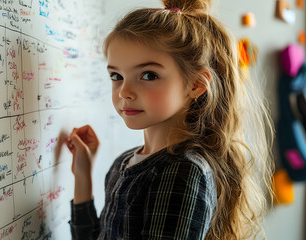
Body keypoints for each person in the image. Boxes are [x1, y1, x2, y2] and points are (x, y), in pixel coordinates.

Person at [64, 0, 275, 239]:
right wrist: (82, 174)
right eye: (116, 75)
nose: (124, 91)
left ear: (195, 84)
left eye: (148, 75)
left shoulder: (183, 173)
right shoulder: (122, 163)